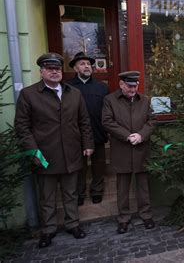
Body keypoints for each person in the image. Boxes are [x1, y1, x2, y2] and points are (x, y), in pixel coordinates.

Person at [15, 53, 94, 248]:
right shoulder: (29, 94)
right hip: (45, 155)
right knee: (47, 196)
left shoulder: (74, 93)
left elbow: (84, 121)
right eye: (49, 69)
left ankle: (73, 224)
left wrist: (88, 144)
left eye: (57, 69)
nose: (54, 72)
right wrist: (34, 152)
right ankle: (48, 230)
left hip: (71, 153)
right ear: (41, 71)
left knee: (71, 193)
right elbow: (22, 127)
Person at [102, 71, 157, 234]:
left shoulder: (145, 100)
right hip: (122, 149)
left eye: (135, 86)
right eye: (129, 86)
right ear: (121, 84)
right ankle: (123, 218)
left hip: (141, 148)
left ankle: (146, 215)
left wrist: (141, 135)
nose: (133, 90)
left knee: (143, 186)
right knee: (123, 187)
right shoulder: (110, 100)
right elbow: (107, 121)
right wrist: (127, 136)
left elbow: (152, 120)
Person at [66, 52, 109, 206]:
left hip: (97, 131)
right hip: (76, 134)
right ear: (75, 68)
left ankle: (97, 190)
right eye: (82, 64)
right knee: (80, 166)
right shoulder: (67, 87)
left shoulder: (102, 87)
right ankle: (79, 193)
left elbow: (107, 110)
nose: (86, 66)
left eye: (88, 64)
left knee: (98, 165)